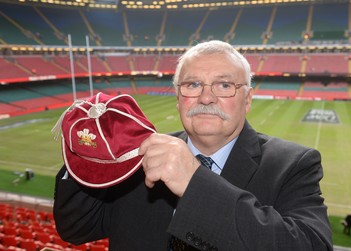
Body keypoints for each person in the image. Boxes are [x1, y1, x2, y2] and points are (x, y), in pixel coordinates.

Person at [53, 40, 333, 250]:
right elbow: (76, 228)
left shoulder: (293, 164)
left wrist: (194, 182)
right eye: (192, 85)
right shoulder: (139, 158)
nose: (206, 98)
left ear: (247, 99)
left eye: (224, 86)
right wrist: (88, 152)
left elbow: (311, 246)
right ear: (178, 99)